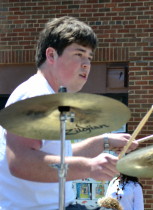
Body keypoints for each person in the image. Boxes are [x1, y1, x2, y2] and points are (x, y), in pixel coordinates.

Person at [0, 16, 138, 210]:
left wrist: (103, 142)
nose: (86, 64)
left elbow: (57, 156)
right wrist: (89, 167)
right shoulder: (34, 95)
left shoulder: (49, 95)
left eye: (89, 57)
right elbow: (20, 162)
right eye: (79, 54)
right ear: (51, 55)